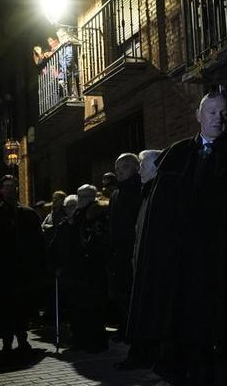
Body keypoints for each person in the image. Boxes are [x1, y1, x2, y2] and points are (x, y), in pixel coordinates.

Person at [130, 89, 227, 385]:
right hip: (181, 262)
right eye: (211, 112)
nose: (218, 118)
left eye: (223, 112)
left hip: (221, 258)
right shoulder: (178, 153)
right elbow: (158, 213)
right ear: (198, 115)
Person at [0, 175, 46, 356]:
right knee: (4, 309)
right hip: (3, 272)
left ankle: (22, 339)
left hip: (23, 272)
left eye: (12, 186)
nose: (9, 190)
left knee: (23, 308)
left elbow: (38, 243)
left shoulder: (28, 214)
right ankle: (7, 342)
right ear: (1, 190)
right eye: (6, 186)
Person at [50, 184, 110, 352]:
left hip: (91, 270)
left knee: (92, 309)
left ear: (92, 198)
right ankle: (81, 340)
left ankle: (94, 342)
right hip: (78, 270)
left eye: (84, 197)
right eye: (79, 196)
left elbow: (95, 242)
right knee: (79, 308)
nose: (80, 200)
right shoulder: (77, 216)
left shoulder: (96, 215)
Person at [117, 149, 161, 371]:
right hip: (136, 260)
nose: (140, 170)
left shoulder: (155, 193)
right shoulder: (144, 191)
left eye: (142, 165)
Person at [108, 153, 141, 341]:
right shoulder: (116, 193)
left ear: (135, 168)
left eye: (124, 168)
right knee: (121, 294)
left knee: (132, 293)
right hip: (118, 253)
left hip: (133, 250)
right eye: (117, 169)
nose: (119, 172)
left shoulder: (139, 189)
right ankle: (124, 328)